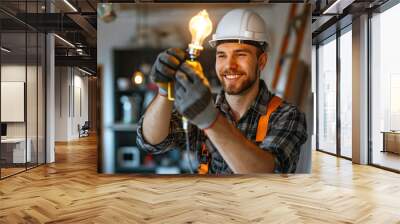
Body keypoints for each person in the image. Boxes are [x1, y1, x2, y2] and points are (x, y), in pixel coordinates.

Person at [137, 9, 307, 174]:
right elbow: (152, 141)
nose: (229, 65)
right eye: (222, 55)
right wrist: (164, 91)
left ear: (261, 61)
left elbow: (266, 175)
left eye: (240, 55)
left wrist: (210, 120)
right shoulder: (200, 107)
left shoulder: (287, 116)